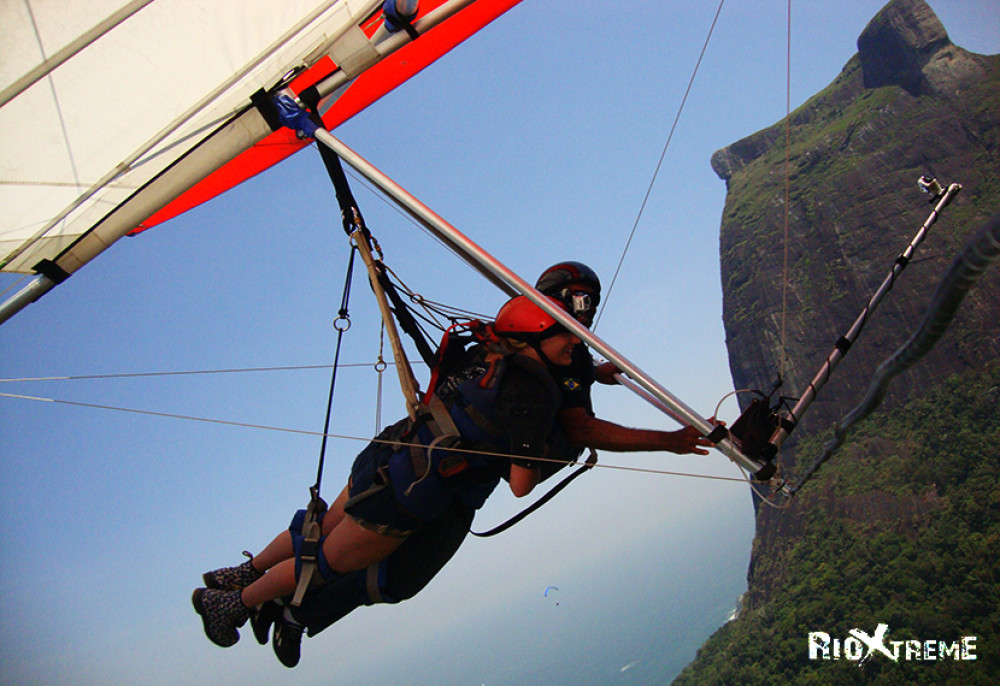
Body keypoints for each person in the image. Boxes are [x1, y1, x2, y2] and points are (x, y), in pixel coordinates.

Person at [193, 295, 582, 649]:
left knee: (321, 526)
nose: (576, 341)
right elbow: (519, 486)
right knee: (324, 562)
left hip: (389, 451)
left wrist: (590, 375)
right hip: (406, 492)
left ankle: (242, 573)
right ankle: (230, 605)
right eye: (566, 333)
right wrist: (558, 447)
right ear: (536, 334)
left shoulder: (485, 353)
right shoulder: (532, 392)